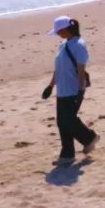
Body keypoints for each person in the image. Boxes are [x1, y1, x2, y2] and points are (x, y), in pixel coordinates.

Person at [42, 16, 98, 165]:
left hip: (74, 89)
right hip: (62, 89)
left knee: (68, 120)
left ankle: (89, 138)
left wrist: (80, 90)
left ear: (65, 29)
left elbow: (81, 70)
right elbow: (58, 69)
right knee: (62, 122)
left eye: (59, 31)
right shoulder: (63, 45)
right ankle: (67, 154)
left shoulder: (78, 45)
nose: (58, 35)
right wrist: (50, 86)